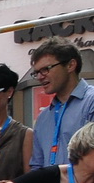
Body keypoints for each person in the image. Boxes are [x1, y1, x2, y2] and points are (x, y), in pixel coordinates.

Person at [25, 38, 94, 171]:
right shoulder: (43, 118)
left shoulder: (90, 102)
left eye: (46, 69)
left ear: (70, 65)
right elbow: (37, 166)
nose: (40, 77)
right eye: (37, 72)